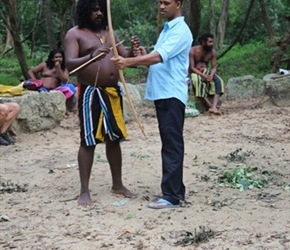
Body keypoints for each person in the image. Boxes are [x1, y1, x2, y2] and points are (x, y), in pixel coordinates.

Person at [112, 0, 193, 209]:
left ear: (178, 3)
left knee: (172, 143)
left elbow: (158, 57)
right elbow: (155, 57)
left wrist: (127, 61)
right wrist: (138, 56)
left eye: (166, 2)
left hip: (171, 94)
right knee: (170, 142)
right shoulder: (168, 29)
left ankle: (172, 196)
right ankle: (174, 190)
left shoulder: (180, 31)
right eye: (159, 2)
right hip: (164, 93)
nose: (161, 7)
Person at [63, 0, 140, 206]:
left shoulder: (111, 33)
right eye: (94, 9)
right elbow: (69, 64)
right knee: (88, 141)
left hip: (112, 92)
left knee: (113, 138)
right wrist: (92, 55)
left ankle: (117, 184)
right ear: (84, 10)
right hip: (90, 92)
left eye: (101, 9)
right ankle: (84, 191)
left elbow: (125, 58)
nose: (98, 13)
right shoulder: (75, 34)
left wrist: (133, 51)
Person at [25, 49, 77, 115]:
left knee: (71, 87)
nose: (58, 59)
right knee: (28, 83)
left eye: (60, 57)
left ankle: (65, 109)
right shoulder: (45, 65)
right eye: (56, 57)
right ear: (52, 59)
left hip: (55, 89)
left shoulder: (64, 69)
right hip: (41, 88)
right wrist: (36, 82)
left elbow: (65, 81)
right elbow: (31, 71)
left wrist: (58, 69)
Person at [188, 33, 224, 115]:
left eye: (212, 42)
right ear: (203, 42)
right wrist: (203, 75)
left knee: (219, 81)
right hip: (195, 72)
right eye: (210, 42)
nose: (212, 44)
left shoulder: (212, 52)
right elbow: (192, 67)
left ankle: (214, 106)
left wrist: (211, 75)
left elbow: (214, 67)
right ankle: (209, 105)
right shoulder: (193, 50)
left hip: (207, 71)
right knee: (197, 81)